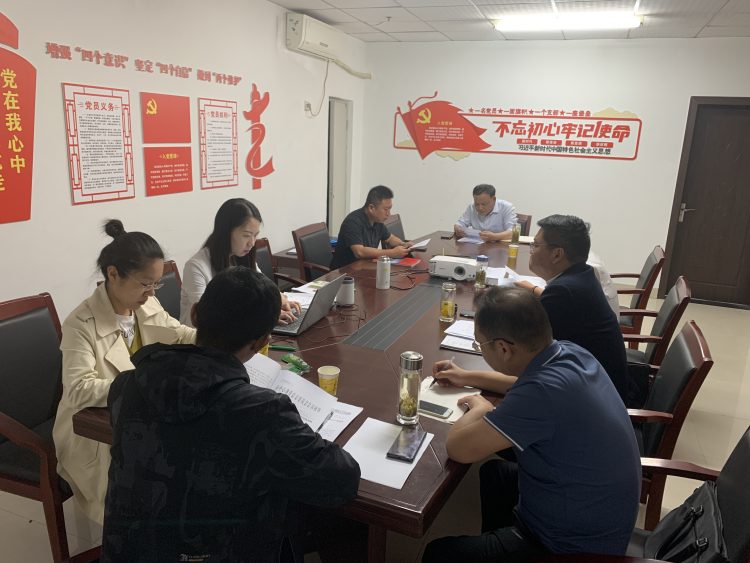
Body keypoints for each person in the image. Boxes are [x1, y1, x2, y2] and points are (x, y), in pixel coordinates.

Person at [102, 267, 361, 563]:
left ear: (195, 314)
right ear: (262, 342)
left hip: (130, 552)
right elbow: (342, 479)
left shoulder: (126, 386)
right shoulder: (263, 412)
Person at [423, 287, 640, 562]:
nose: (480, 349)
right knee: (494, 474)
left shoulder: (542, 394)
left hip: (573, 546)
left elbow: (458, 448)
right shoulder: (569, 352)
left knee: (438, 554)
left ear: (503, 348)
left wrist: (481, 408)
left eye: (480, 344)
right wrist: (466, 376)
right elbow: (519, 384)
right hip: (600, 511)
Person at [53, 219, 196, 524]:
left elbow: (179, 334)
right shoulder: (80, 324)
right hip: (91, 431)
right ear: (113, 274)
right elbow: (78, 389)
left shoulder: (145, 304)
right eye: (145, 284)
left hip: (136, 412)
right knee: (151, 478)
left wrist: (221, 337)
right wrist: (141, 382)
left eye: (156, 284)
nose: (152, 292)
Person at [436, 215, 629, 402]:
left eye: (535, 245)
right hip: (600, 387)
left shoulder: (563, 294)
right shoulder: (581, 276)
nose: (531, 250)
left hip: (589, 398)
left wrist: (466, 376)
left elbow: (524, 377)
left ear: (557, 254)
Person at [180, 198, 301, 327]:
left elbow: (264, 288)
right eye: (246, 235)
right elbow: (209, 317)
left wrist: (279, 300)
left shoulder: (242, 256)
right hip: (207, 335)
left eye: (255, 235)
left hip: (242, 331)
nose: (252, 243)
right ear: (226, 232)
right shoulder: (196, 266)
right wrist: (265, 316)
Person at [330, 185, 410, 269]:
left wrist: (403, 244)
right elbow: (359, 252)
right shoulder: (352, 222)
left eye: (389, 209)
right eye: (386, 209)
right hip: (345, 272)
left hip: (365, 267)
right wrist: (392, 253)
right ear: (371, 208)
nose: (388, 214)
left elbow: (390, 238)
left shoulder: (377, 221)